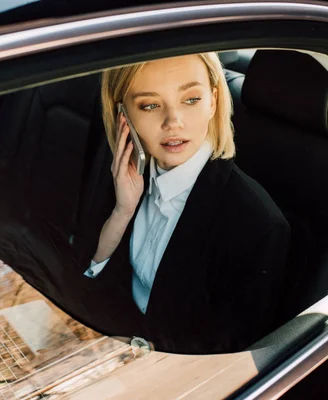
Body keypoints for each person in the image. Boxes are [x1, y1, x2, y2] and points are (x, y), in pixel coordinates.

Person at [80, 52, 290, 354]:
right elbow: (91, 285)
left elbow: (226, 353)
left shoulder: (256, 225)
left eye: (191, 99)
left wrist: (136, 349)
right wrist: (122, 212)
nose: (173, 122)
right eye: (150, 105)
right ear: (123, 116)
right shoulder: (121, 172)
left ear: (213, 102)